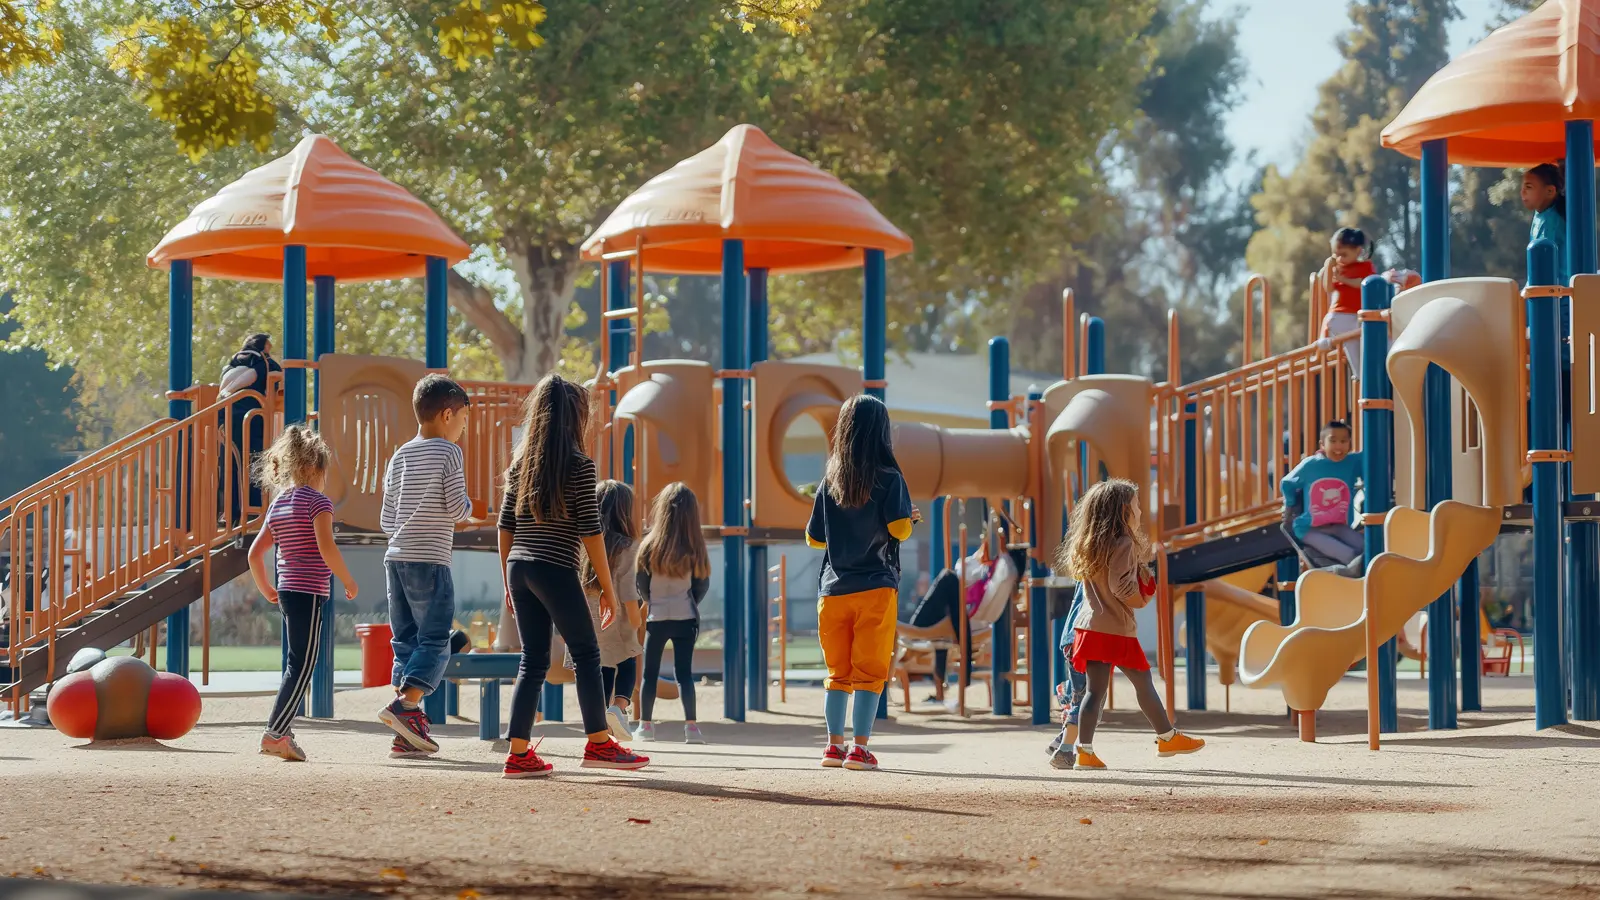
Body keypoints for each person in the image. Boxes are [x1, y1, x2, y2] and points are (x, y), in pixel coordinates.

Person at [497, 374, 649, 778]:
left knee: (532, 660)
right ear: (575, 418)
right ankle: (599, 743)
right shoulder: (580, 465)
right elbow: (591, 531)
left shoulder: (520, 464)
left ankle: (517, 754)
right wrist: (606, 589)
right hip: (553, 566)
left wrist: (507, 580)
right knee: (586, 654)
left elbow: (505, 526)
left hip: (519, 567)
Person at [1054, 478, 1203, 769]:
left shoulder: (1092, 544)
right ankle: (1167, 737)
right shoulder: (1123, 543)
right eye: (1136, 507)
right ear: (1123, 512)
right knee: (1144, 683)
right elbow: (1121, 587)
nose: (1140, 513)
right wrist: (1141, 596)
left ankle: (1084, 751)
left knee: (1095, 693)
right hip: (1115, 629)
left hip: (1090, 627)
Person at [806, 394, 918, 772]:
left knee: (838, 674)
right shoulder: (890, 478)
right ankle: (860, 748)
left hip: (832, 590)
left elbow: (814, 540)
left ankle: (833, 747)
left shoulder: (830, 480)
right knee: (869, 672)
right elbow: (899, 528)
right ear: (881, 433)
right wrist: (911, 518)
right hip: (875, 586)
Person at [377, 374, 475, 760]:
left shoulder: (400, 455)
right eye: (464, 419)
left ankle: (407, 729)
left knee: (406, 642)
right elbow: (454, 508)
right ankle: (405, 705)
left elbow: (386, 519)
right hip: (431, 560)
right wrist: (470, 509)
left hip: (395, 558)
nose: (464, 428)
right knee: (436, 640)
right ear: (448, 414)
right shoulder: (449, 453)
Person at [246, 426, 358, 761]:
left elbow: (254, 553)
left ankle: (282, 727)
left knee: (296, 662)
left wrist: (266, 587)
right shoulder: (318, 502)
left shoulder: (279, 503)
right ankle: (275, 732)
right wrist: (348, 580)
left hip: (286, 590)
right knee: (303, 664)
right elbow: (327, 547)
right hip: (309, 591)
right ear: (315, 469)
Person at [564, 479, 644, 744]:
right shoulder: (628, 546)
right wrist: (635, 618)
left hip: (585, 618)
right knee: (629, 658)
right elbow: (628, 589)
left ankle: (600, 729)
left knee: (599, 668)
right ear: (624, 511)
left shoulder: (580, 544)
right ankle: (619, 707)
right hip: (616, 616)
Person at [634, 482, 711, 744]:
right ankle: (691, 728)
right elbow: (702, 584)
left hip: (656, 618)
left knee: (649, 673)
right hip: (685, 617)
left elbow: (641, 584)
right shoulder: (695, 547)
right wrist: (691, 602)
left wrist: (651, 600)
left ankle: (645, 726)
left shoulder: (648, 546)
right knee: (684, 674)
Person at [1281, 420, 1366, 568]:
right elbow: (1286, 483)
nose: (1338, 446)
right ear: (1322, 444)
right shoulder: (1311, 464)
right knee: (1350, 556)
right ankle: (1333, 571)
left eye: (1343, 441)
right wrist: (1290, 504)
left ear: (1349, 444)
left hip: (1338, 525)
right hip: (1310, 529)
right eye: (1333, 441)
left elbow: (1370, 455)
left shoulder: (1352, 462)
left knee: (1367, 548)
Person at [219, 333, 283, 523]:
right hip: (252, 419)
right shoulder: (263, 361)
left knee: (229, 466)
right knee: (254, 463)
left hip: (227, 418)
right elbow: (278, 375)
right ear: (264, 346)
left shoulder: (232, 363)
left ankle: (230, 513)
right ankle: (254, 509)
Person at [1318, 228, 1376, 373]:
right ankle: (1360, 374)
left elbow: (1363, 284)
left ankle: (1363, 373)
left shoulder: (1365, 267)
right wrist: (1328, 267)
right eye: (1336, 255)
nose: (1339, 259)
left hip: (1358, 314)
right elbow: (1329, 288)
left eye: (1343, 255)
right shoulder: (1337, 268)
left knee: (1362, 343)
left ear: (1357, 251)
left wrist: (1343, 279)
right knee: (1350, 343)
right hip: (1342, 313)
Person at [1046, 583, 1089, 769]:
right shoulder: (1101, 568)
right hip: (1086, 638)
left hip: (1073, 638)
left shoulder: (1084, 571)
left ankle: (1061, 742)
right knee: (1087, 700)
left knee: (1081, 696)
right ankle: (1064, 749)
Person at [1523, 163, 1568, 286]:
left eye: (1529, 187)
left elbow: (1544, 267)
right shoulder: (1541, 212)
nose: (1522, 192)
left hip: (1557, 297)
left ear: (1550, 191)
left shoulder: (1552, 223)